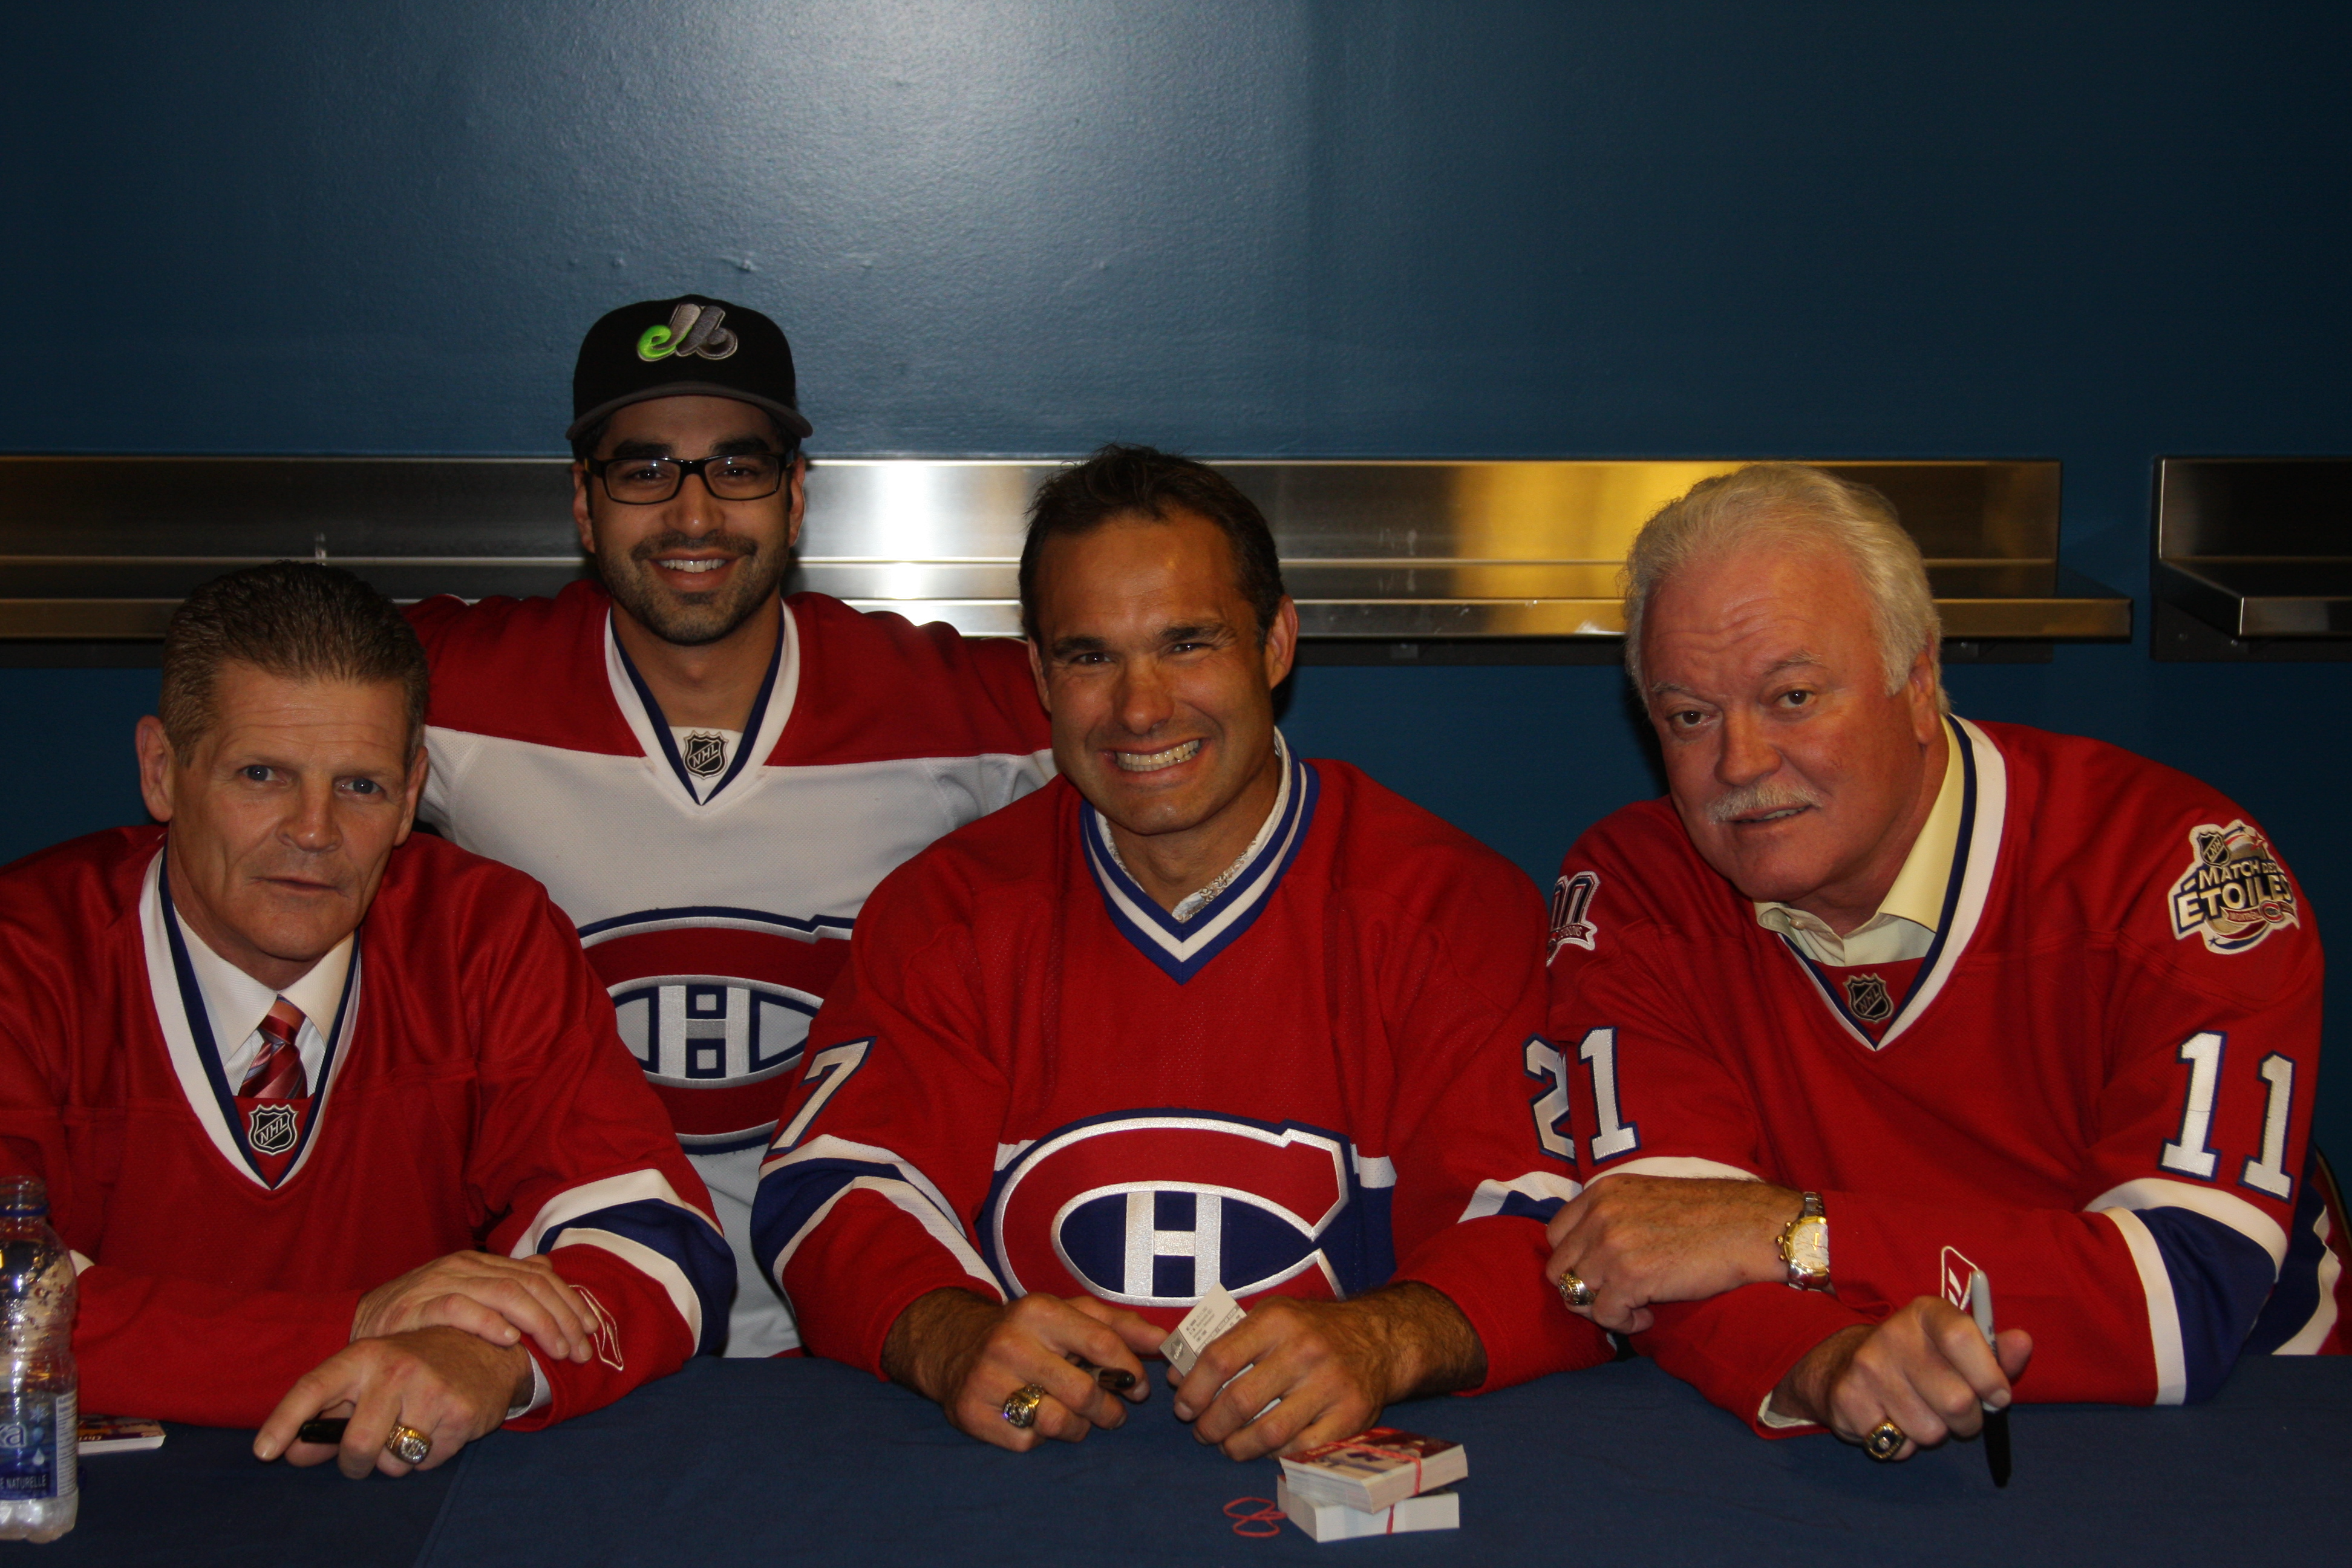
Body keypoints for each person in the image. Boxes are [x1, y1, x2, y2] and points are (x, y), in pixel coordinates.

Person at [753, 444, 1607, 1457]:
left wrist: (1386, 1340)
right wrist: (953, 1340)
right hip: (1025, 1487)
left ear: (1276, 642)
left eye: (1187, 643)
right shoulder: (949, 913)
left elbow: (1557, 1231)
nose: (1141, 708)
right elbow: (833, 1188)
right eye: (1089, 656)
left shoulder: (1445, 910)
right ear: (1037, 674)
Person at [1541, 463, 2350, 1461]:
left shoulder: (2174, 869)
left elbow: (2186, 1297)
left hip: (2252, 1433)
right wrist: (1831, 1363)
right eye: (1690, 717)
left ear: (1917, 684)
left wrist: (1797, 1235)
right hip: (1872, 1428)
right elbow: (1653, 1252)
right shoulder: (1637, 887)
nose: (1741, 764)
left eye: (1793, 697)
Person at [407, 294, 1052, 1357]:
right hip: (570, 1340)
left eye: (739, 468)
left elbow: (1158, 733)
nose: (695, 515)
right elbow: (255, 703)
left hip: (867, 1336)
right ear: (583, 502)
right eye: (646, 470)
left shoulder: (946, 704)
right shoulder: (461, 686)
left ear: (797, 499)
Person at [0, 563, 732, 1479]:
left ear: (413, 790)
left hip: (403, 1485)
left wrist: (492, 1362)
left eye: (362, 786)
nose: (313, 830)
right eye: (262, 774)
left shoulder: (481, 936)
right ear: (163, 770)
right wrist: (360, 1327)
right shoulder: (27, 958)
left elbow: (664, 1245)